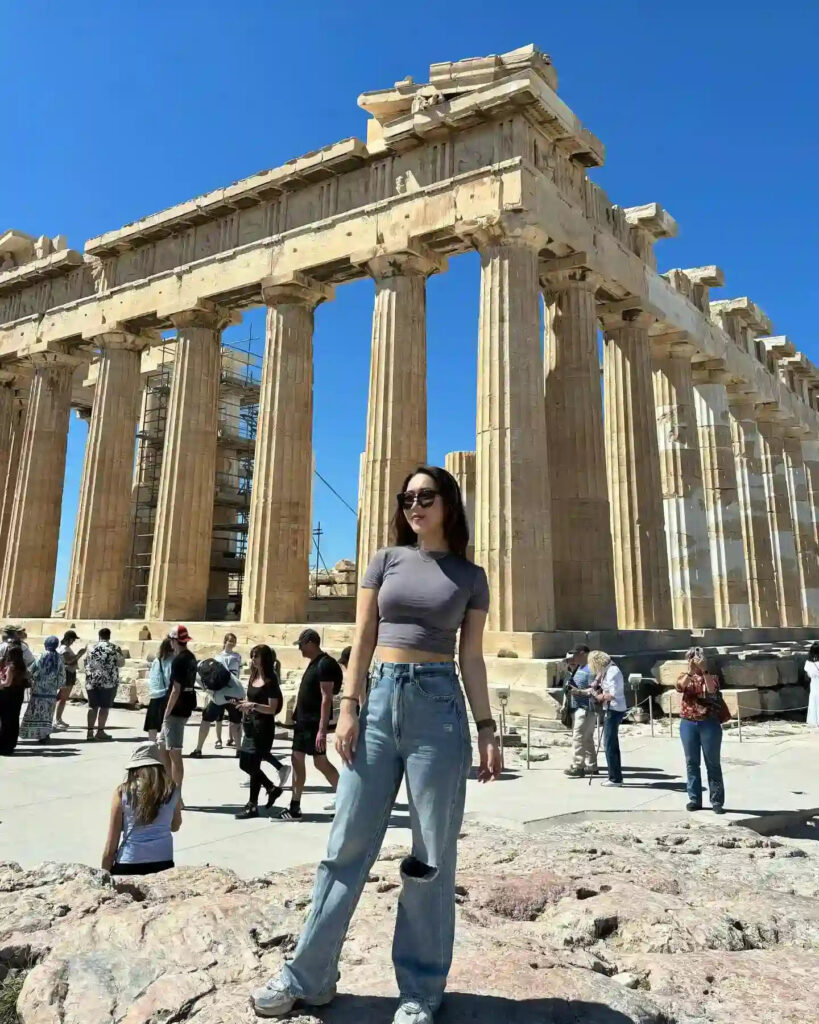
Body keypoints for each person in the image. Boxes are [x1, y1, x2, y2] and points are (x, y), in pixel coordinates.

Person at [252, 465, 501, 1024]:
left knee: (431, 854)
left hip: (439, 706)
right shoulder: (385, 560)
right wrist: (348, 706)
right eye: (407, 497)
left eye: (425, 496)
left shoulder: (470, 575)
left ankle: (420, 989)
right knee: (345, 843)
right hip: (379, 702)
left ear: (448, 504)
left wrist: (487, 728)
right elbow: (362, 636)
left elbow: (473, 658)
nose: (414, 505)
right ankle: (307, 975)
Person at [283, 629, 343, 821]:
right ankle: (295, 805)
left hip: (312, 724)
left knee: (317, 762)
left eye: (300, 644)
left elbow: (327, 699)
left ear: (310, 642)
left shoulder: (324, 665)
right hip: (304, 723)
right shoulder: (315, 663)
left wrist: (322, 731)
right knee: (304, 760)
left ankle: (347, 800)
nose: (299, 648)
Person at [101, 742, 182, 875]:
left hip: (129, 861)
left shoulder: (123, 791)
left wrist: (104, 871)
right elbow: (175, 826)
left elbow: (111, 844)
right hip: (163, 860)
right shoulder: (173, 790)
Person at [236, 644, 287, 819]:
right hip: (250, 725)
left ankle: (252, 805)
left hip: (263, 728)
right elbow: (252, 698)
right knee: (245, 763)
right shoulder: (253, 675)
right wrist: (244, 704)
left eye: (256, 656)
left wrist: (254, 705)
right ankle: (271, 788)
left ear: (264, 658)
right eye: (252, 656)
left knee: (253, 764)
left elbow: (272, 708)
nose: (253, 660)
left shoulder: (270, 680)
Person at [675, 648, 725, 814]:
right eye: (691, 659)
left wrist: (704, 670)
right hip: (688, 722)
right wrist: (690, 673)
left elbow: (712, 690)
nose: (694, 662)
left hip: (708, 723)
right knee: (691, 762)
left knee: (712, 763)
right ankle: (694, 799)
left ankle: (717, 801)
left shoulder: (711, 677)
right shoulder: (684, 676)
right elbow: (680, 687)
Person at [189, 632, 244, 757]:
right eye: (230, 641)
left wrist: (209, 692)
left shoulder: (221, 657)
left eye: (233, 641)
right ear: (225, 642)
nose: (231, 643)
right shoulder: (235, 657)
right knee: (235, 721)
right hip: (233, 692)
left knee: (207, 719)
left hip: (218, 694)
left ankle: (198, 749)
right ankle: (239, 750)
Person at [158, 625, 197, 790]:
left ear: (174, 641)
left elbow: (176, 689)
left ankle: (177, 794)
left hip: (176, 709)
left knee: (174, 753)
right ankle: (169, 786)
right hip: (186, 704)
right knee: (162, 748)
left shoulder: (179, 660)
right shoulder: (190, 657)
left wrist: (167, 712)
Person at [588, 650, 626, 788]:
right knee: (611, 743)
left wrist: (598, 697)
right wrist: (596, 682)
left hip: (614, 709)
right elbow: (600, 675)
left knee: (609, 744)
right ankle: (615, 776)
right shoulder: (608, 668)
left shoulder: (613, 672)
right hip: (611, 709)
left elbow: (612, 695)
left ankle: (615, 778)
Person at [19, 636, 65, 743]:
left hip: (38, 691)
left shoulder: (41, 656)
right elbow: (62, 676)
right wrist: (59, 688)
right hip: (51, 692)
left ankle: (32, 733)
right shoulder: (59, 658)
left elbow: (31, 670)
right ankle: (45, 735)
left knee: (36, 713)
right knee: (48, 714)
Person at [562, 645, 598, 778]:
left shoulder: (590, 670)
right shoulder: (578, 668)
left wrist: (578, 692)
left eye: (575, 655)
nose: (573, 658)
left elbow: (595, 689)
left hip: (585, 708)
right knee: (587, 738)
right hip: (577, 707)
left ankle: (578, 766)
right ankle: (592, 765)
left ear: (583, 654)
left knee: (578, 737)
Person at [84, 628, 125, 742]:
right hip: (108, 682)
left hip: (92, 681)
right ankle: (100, 731)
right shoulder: (115, 648)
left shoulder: (90, 647)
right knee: (104, 707)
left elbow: (85, 662)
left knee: (92, 706)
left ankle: (89, 732)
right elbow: (121, 663)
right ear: (109, 636)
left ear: (99, 636)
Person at [0, 642, 29, 755]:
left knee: (6, 721)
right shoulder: (22, 666)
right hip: (18, 694)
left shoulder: (11, 667)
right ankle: (11, 744)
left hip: (8, 694)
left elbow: (7, 683)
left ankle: (4, 745)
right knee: (14, 720)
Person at [144, 638, 174, 742]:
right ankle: (164, 745)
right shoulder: (172, 661)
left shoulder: (157, 661)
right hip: (166, 694)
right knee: (166, 722)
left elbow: (153, 677)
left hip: (155, 694)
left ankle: (151, 744)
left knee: (153, 723)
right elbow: (170, 678)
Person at [55, 631, 86, 731]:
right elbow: (68, 661)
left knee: (63, 697)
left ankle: (58, 719)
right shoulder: (64, 648)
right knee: (62, 698)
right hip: (67, 674)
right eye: (73, 639)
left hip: (69, 673)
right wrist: (79, 654)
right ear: (69, 638)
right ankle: (57, 719)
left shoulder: (65, 648)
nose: (73, 641)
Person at [806, 642, 819, 728]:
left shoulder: (808, 663)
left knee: (814, 704)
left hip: (814, 686)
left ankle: (814, 721)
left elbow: (808, 675)